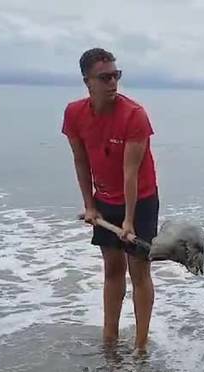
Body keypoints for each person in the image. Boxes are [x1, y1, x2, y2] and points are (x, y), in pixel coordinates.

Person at [61, 48, 159, 351]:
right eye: (104, 77)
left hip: (140, 199)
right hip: (104, 199)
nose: (112, 82)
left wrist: (129, 221)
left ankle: (141, 346)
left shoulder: (134, 115)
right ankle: (110, 339)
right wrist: (90, 204)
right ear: (87, 82)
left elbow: (130, 173)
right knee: (112, 269)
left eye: (116, 75)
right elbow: (80, 161)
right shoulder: (74, 113)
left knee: (138, 270)